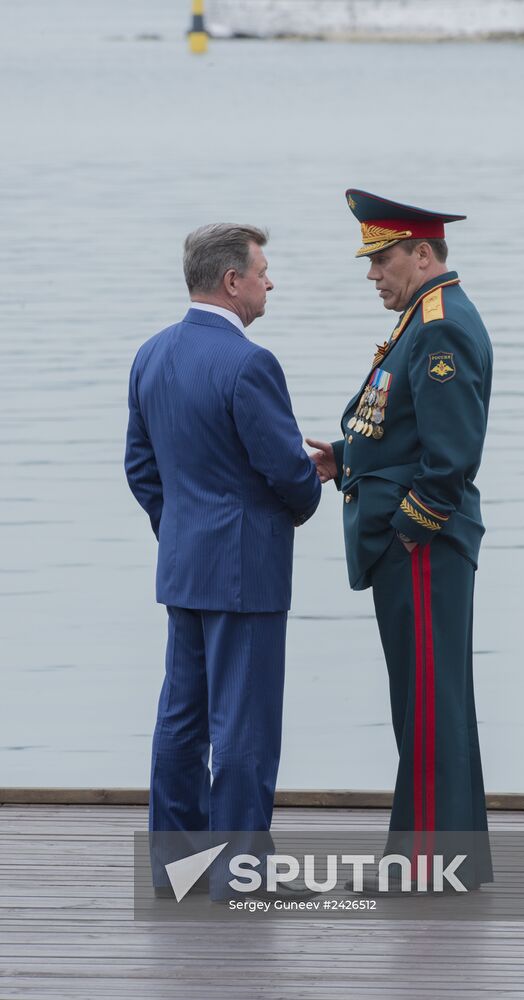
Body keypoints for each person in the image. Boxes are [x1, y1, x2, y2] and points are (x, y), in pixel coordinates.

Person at [125, 223, 321, 894]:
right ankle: (241, 877)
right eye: (263, 270)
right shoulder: (250, 364)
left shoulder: (151, 355)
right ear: (232, 281)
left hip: (185, 567)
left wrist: (180, 529)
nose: (270, 281)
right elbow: (285, 474)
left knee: (181, 722)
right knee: (245, 728)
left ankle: (174, 869)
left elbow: (141, 467)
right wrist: (310, 479)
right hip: (247, 573)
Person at [307, 189, 494, 893]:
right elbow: (404, 429)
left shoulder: (439, 327)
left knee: (428, 702)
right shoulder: (423, 316)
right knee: (431, 699)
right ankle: (449, 859)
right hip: (416, 543)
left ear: (423, 254)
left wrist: (406, 533)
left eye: (382, 259)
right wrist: (346, 463)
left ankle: (425, 865)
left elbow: (449, 458)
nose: (372, 273)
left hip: (423, 546)